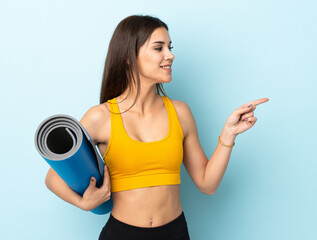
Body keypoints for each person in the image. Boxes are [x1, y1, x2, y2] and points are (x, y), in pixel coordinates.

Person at [44, 14, 269, 240]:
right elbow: (53, 178)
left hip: (175, 233)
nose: (170, 55)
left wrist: (229, 134)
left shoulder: (180, 112)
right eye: (158, 48)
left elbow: (207, 184)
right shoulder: (100, 117)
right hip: (121, 234)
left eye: (169, 47)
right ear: (129, 57)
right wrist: (83, 203)